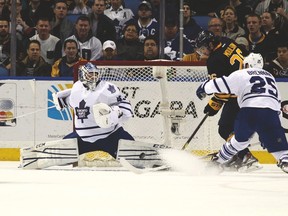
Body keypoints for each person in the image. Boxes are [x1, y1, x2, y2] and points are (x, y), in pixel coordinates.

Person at [196, 53, 288, 173]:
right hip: (270, 113)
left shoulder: (242, 73)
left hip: (249, 111)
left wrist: (204, 87)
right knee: (279, 148)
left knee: (239, 142)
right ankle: (285, 161)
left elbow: (222, 83)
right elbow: (276, 102)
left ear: (247, 64)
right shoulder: (270, 77)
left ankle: (217, 162)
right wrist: (271, 129)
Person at [194, 30, 261, 171]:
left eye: (203, 47)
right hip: (250, 88)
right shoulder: (227, 41)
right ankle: (240, 154)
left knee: (224, 128)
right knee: (233, 128)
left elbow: (222, 89)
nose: (201, 51)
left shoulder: (213, 60)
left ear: (210, 44)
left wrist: (213, 105)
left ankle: (245, 155)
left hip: (238, 95)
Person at [53, 62, 134, 160]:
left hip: (110, 136)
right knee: (60, 149)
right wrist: (62, 101)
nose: (94, 77)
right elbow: (72, 101)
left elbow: (126, 109)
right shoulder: (76, 89)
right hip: (83, 137)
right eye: (90, 74)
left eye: (96, 74)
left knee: (132, 150)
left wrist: (116, 113)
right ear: (82, 75)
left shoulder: (107, 89)